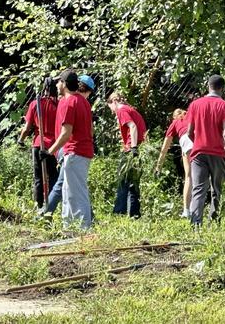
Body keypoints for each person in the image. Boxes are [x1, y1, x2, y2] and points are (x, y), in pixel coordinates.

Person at [40, 69, 94, 229]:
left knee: (77, 193)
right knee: (67, 191)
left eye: (58, 81)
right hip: (81, 151)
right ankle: (68, 227)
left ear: (64, 83)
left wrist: (49, 151)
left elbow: (66, 133)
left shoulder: (68, 102)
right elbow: (90, 130)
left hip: (75, 151)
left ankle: (84, 228)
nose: (56, 85)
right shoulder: (82, 101)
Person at [187, 74, 225, 227]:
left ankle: (196, 223)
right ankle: (214, 221)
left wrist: (198, 143)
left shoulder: (195, 104)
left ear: (208, 86)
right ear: (222, 88)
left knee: (198, 189)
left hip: (198, 153)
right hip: (217, 153)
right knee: (216, 188)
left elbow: (189, 132)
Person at [17, 77, 59, 211]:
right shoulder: (59, 104)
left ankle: (39, 205)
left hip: (38, 144)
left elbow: (27, 127)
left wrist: (21, 140)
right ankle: (52, 205)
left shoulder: (35, 104)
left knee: (38, 177)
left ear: (44, 88)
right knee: (54, 176)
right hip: (54, 146)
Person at [107, 92, 147, 218]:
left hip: (131, 149)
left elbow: (133, 126)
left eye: (110, 108)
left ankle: (119, 212)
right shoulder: (130, 109)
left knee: (122, 181)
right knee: (133, 182)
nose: (112, 112)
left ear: (113, 102)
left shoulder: (122, 110)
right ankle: (134, 213)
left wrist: (133, 148)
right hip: (140, 147)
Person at [155, 108, 193, 218]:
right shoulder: (191, 118)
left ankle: (187, 211)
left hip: (188, 140)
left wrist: (158, 167)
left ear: (175, 117)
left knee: (189, 176)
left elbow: (165, 146)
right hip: (201, 138)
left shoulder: (176, 122)